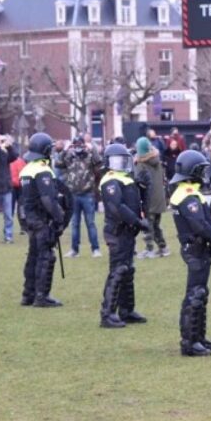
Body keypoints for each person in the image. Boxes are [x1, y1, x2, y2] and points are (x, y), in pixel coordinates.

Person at [169, 150, 211, 357]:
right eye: (201, 170)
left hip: (198, 248)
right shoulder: (187, 196)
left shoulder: (188, 192)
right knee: (195, 294)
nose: (204, 174)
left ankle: (199, 337)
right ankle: (189, 341)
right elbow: (199, 224)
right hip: (195, 248)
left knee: (200, 294)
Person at [98, 143, 152, 328]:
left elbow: (138, 202)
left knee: (128, 270)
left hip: (128, 231)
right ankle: (107, 313)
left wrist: (145, 188)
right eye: (116, 161)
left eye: (122, 160)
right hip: (117, 231)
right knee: (118, 270)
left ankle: (127, 310)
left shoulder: (128, 179)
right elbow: (117, 207)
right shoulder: (110, 180)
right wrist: (137, 222)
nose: (120, 164)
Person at [19, 133, 67, 307]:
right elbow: (48, 199)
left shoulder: (27, 169)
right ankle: (42, 296)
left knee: (33, 257)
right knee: (46, 257)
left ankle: (28, 294)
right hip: (41, 220)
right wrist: (59, 218)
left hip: (31, 220)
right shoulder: (42, 170)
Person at [57, 136, 103, 258]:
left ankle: (96, 249)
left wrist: (92, 149)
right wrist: (65, 150)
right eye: (75, 144)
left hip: (87, 194)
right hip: (73, 195)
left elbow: (99, 164)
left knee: (90, 223)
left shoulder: (89, 156)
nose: (78, 147)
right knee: (74, 224)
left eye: (79, 144)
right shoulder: (69, 157)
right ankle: (74, 250)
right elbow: (58, 164)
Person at [136, 137, 170, 258]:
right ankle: (163, 248)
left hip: (149, 199)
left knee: (147, 225)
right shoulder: (157, 160)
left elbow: (139, 181)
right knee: (155, 225)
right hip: (159, 198)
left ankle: (149, 249)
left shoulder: (141, 164)